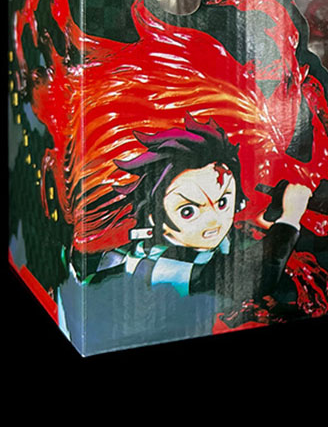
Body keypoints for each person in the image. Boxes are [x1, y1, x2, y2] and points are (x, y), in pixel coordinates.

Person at [58, 115, 312, 352]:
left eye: (223, 202)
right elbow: (254, 277)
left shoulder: (197, 241)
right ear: (154, 217)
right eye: (188, 211)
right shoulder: (151, 267)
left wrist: (265, 222)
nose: (214, 221)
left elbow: (233, 243)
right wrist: (290, 218)